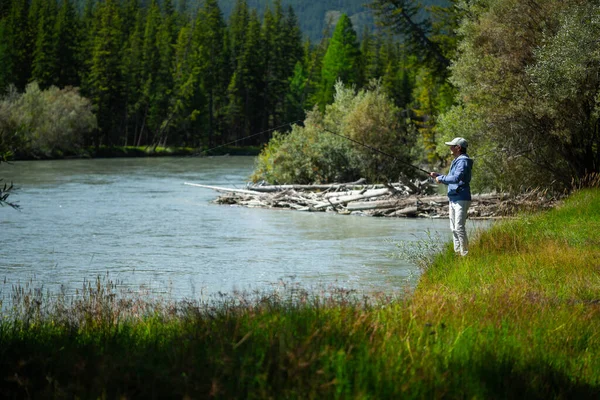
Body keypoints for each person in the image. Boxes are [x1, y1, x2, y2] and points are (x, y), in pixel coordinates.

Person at [429, 137, 474, 256]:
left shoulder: (463, 161)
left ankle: (465, 255)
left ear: (458, 148)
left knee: (459, 227)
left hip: (461, 198)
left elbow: (456, 178)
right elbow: (452, 177)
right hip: (454, 197)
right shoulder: (457, 160)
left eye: (452, 146)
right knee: (453, 228)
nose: (450, 148)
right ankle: (457, 254)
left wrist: (441, 178)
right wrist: (438, 175)